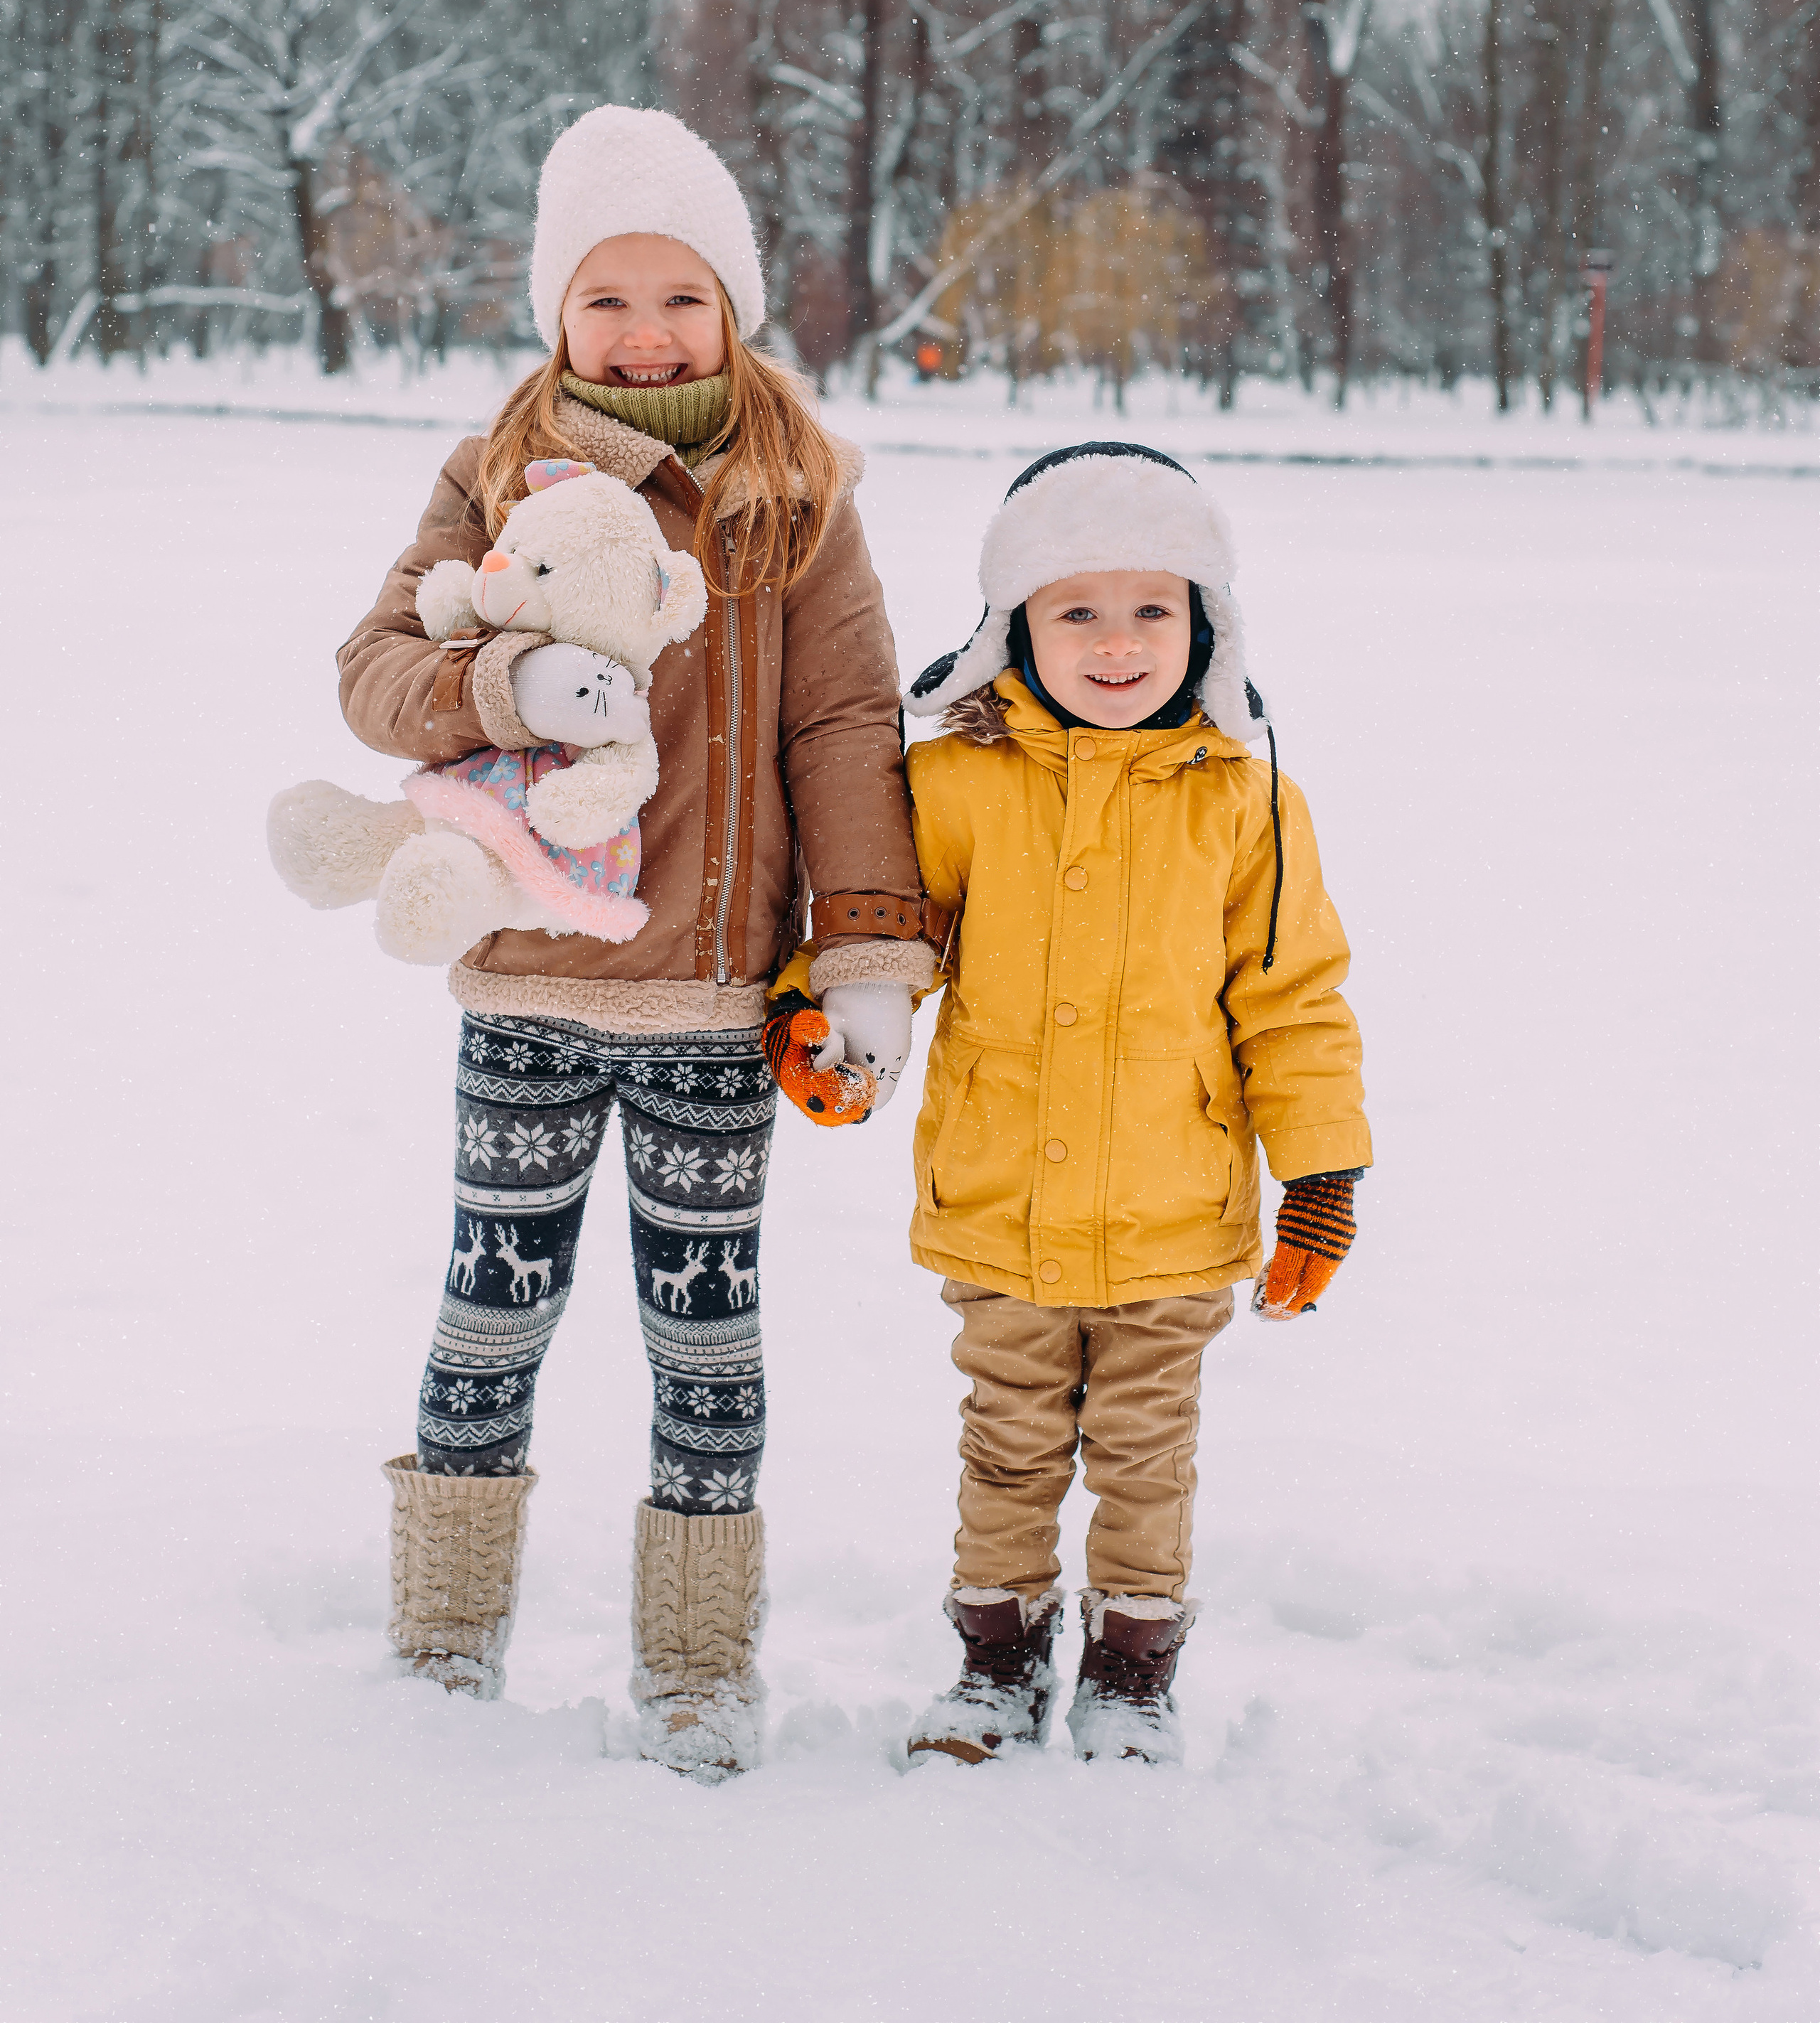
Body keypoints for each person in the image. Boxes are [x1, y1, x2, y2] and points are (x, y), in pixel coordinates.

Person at [333, 105, 933, 1774]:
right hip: (530, 982)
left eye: (680, 296)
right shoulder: (493, 473)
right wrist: (501, 681)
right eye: (606, 298)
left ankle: (695, 1665)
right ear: (558, 314)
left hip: (714, 1005)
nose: (645, 331)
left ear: (732, 307)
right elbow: (374, 670)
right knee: (492, 1309)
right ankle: (443, 1637)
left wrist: (866, 952)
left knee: (705, 1343)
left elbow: (843, 723)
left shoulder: (796, 495)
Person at [892, 441, 1370, 1765]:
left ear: (1205, 625)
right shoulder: (953, 781)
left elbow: (1294, 997)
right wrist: (828, 1019)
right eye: (1077, 610)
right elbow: (887, 938)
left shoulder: (1247, 798)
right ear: (1015, 627)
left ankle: (1131, 1673)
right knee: (1007, 1445)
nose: (1117, 642)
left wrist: (1321, 1172)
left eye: (1153, 607)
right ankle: (996, 1666)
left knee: (1146, 1451)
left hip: (1175, 1206)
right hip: (1000, 1194)